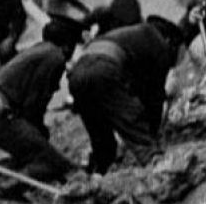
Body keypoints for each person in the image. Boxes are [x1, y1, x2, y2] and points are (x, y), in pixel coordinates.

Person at [0, 12, 85, 183]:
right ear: (67, 44)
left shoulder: (41, 49)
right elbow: (33, 104)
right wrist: (39, 135)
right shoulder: (55, 57)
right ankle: (8, 186)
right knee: (52, 162)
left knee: (31, 153)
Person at [67, 16, 185, 174]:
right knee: (135, 127)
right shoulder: (157, 42)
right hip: (103, 68)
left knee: (101, 138)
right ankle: (159, 171)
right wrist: (152, 133)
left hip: (77, 74)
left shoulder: (132, 36)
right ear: (171, 42)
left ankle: (97, 175)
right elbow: (152, 97)